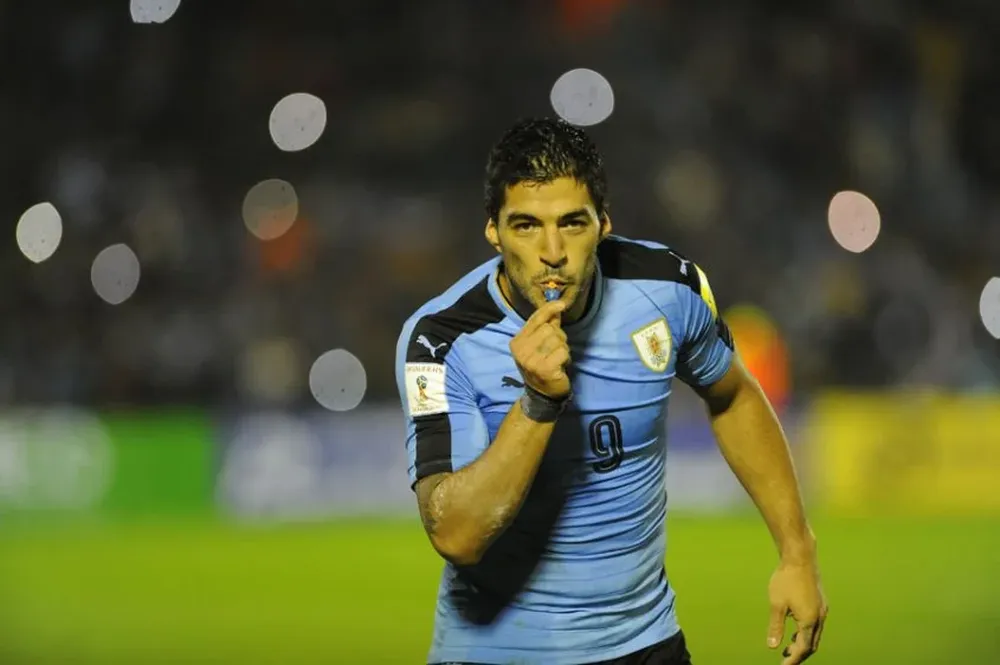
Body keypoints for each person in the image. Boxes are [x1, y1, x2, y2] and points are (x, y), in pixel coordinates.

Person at [394, 117, 827, 665]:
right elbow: (456, 534)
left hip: (645, 647)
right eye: (526, 226)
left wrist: (796, 552)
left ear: (603, 224)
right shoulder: (439, 340)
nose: (552, 251)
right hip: (495, 654)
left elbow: (734, 395)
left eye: (571, 223)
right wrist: (538, 402)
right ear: (493, 231)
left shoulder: (669, 288)